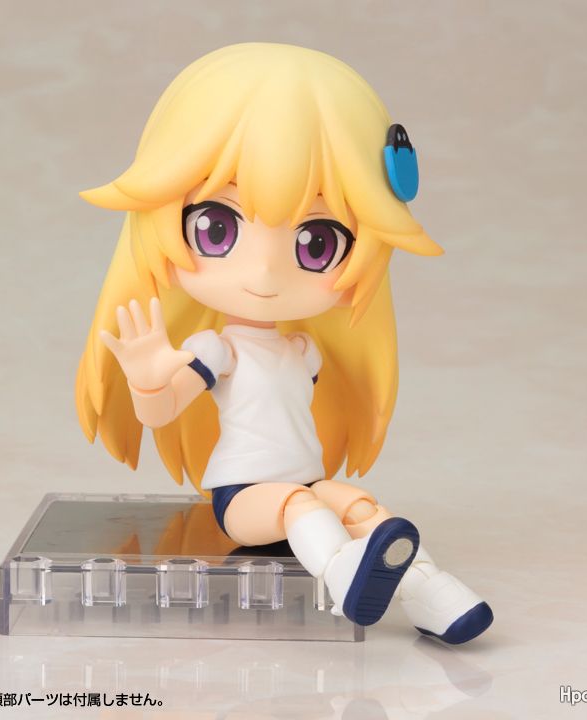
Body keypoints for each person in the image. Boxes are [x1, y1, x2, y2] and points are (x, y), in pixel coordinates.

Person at [76, 43, 492, 641]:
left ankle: (432, 594)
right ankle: (344, 573)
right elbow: (161, 411)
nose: (266, 272)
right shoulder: (218, 351)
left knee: (362, 507)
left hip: (305, 481)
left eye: (316, 243)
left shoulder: (305, 351)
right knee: (304, 508)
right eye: (217, 228)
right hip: (244, 496)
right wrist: (146, 378)